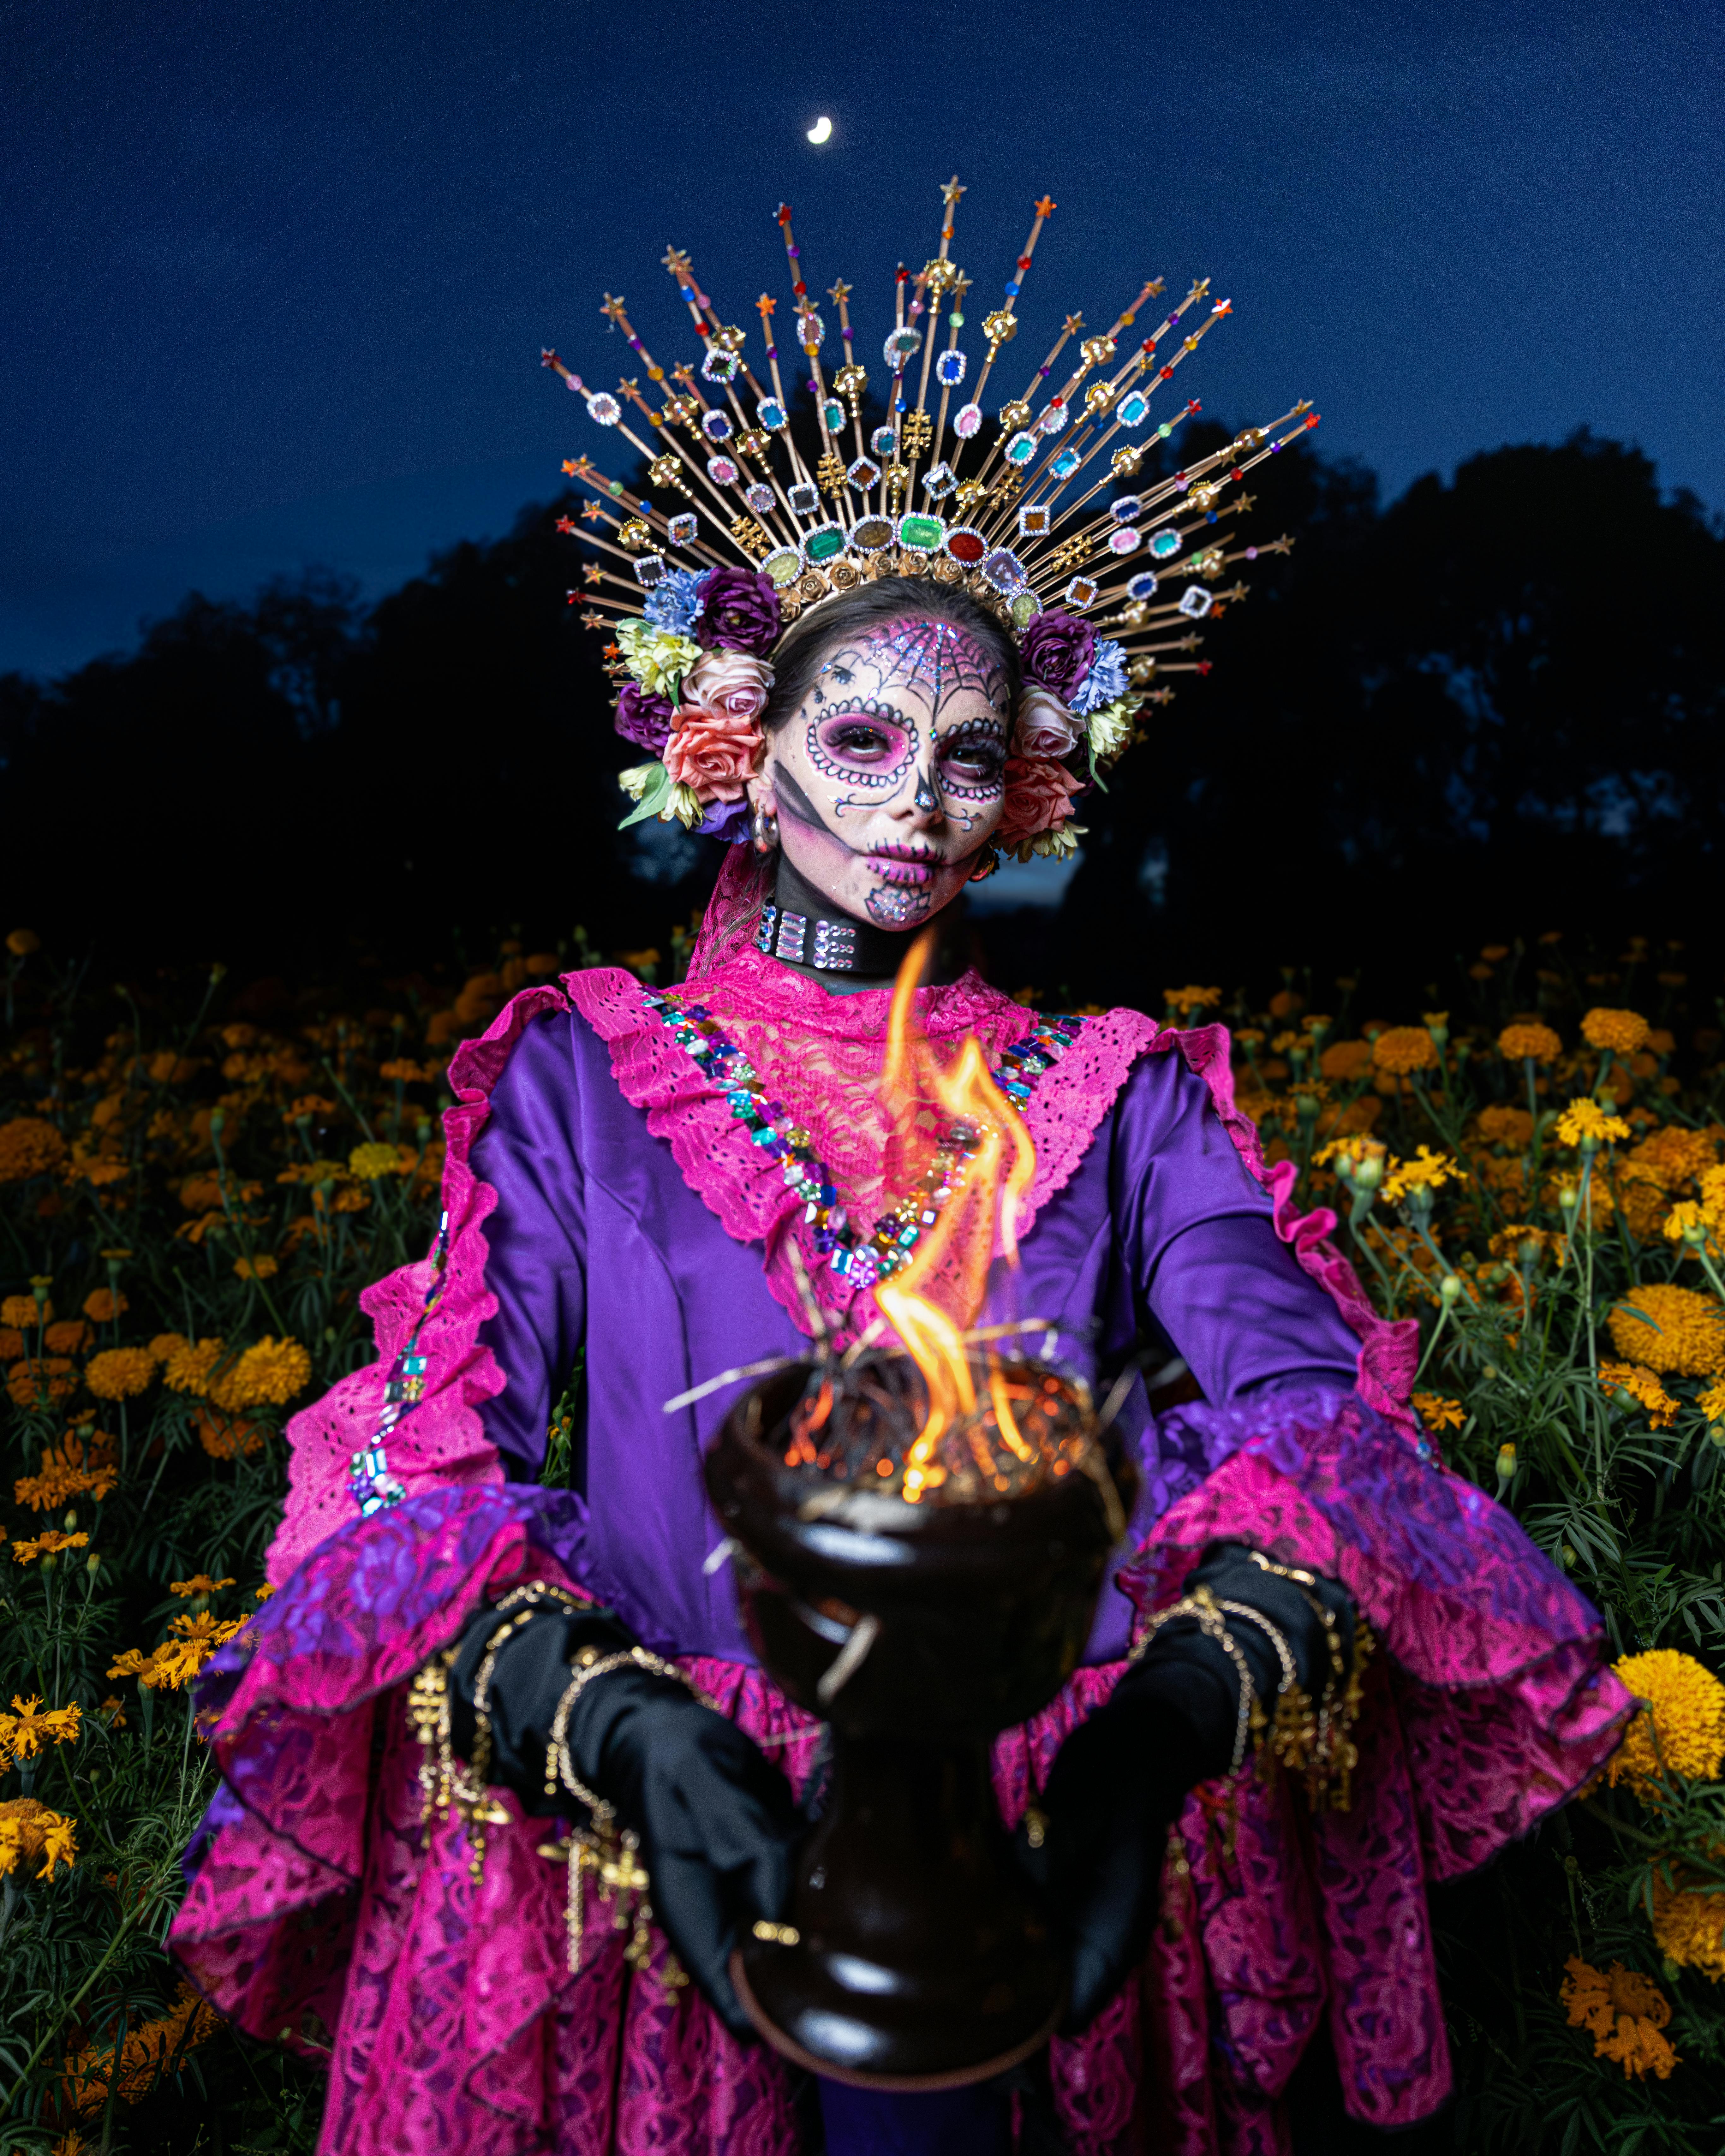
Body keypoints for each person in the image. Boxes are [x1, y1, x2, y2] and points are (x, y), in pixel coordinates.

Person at [172, 185, 1630, 2156]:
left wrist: (1154, 1741)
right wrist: (618, 1730)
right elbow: (412, 1457)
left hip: (1056, 1835)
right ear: (740, 748)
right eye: (858, 739)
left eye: (968, 755)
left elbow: (1315, 1417)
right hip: (661, 1848)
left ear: (1026, 781)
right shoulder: (583, 1076)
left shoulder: (1113, 1095)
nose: (917, 805)